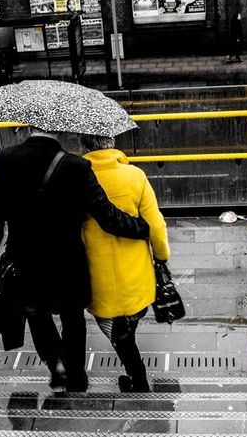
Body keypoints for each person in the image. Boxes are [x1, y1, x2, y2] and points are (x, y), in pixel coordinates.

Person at [0, 127, 151, 392]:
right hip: (68, 262)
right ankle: (76, 376)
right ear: (60, 131)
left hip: (24, 261)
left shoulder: (2, 159)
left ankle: (55, 364)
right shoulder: (76, 166)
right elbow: (106, 216)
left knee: (37, 314)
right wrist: (142, 228)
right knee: (73, 319)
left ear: (29, 127)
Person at [80, 134, 170, 393]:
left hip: (97, 277)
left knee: (117, 331)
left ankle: (137, 377)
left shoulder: (76, 178)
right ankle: (137, 376)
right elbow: (156, 225)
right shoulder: (135, 176)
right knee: (126, 328)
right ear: (112, 142)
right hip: (136, 275)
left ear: (84, 144)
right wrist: (161, 257)